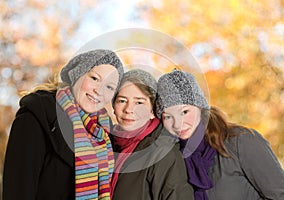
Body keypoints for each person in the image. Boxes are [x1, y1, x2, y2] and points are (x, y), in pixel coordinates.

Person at [3, 49, 124, 200]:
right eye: (94, 78)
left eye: (109, 87)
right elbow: (17, 191)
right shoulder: (37, 116)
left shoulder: (105, 134)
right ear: (77, 75)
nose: (98, 90)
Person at [156, 69, 284, 200]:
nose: (177, 124)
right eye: (168, 117)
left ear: (200, 107)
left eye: (184, 112)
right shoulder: (174, 158)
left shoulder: (241, 141)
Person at [110, 69, 194, 200]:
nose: (128, 109)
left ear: (152, 110)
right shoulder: (105, 146)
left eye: (139, 102)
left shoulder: (162, 152)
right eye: (122, 101)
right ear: (113, 107)